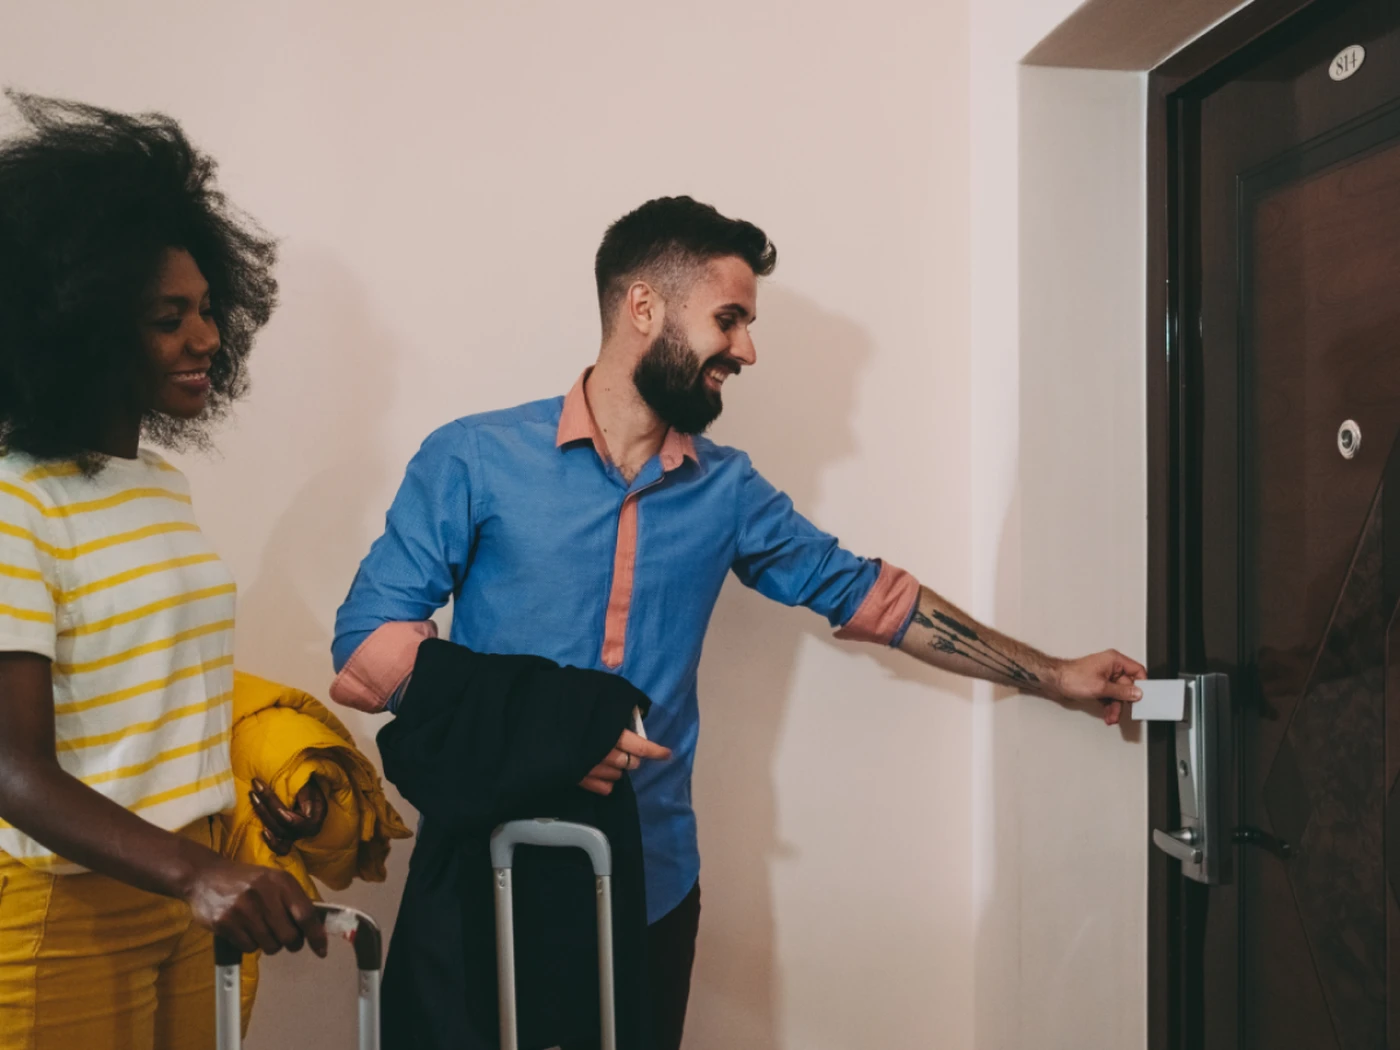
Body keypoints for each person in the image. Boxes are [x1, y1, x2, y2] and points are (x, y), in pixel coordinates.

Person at [331, 195, 1147, 1050]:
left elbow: (872, 598)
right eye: (730, 319)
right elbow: (365, 650)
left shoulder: (726, 489)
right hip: (486, 872)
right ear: (643, 306)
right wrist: (558, 725)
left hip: (651, 882)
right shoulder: (473, 458)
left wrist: (1053, 673)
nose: (747, 350)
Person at [0, 92, 326, 1050]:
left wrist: (254, 798)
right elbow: (12, 767)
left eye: (207, 309)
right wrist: (194, 875)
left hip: (196, 890)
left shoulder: (162, 487)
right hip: (67, 913)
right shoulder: (18, 505)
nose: (206, 339)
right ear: (84, 330)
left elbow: (157, 681)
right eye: (167, 318)